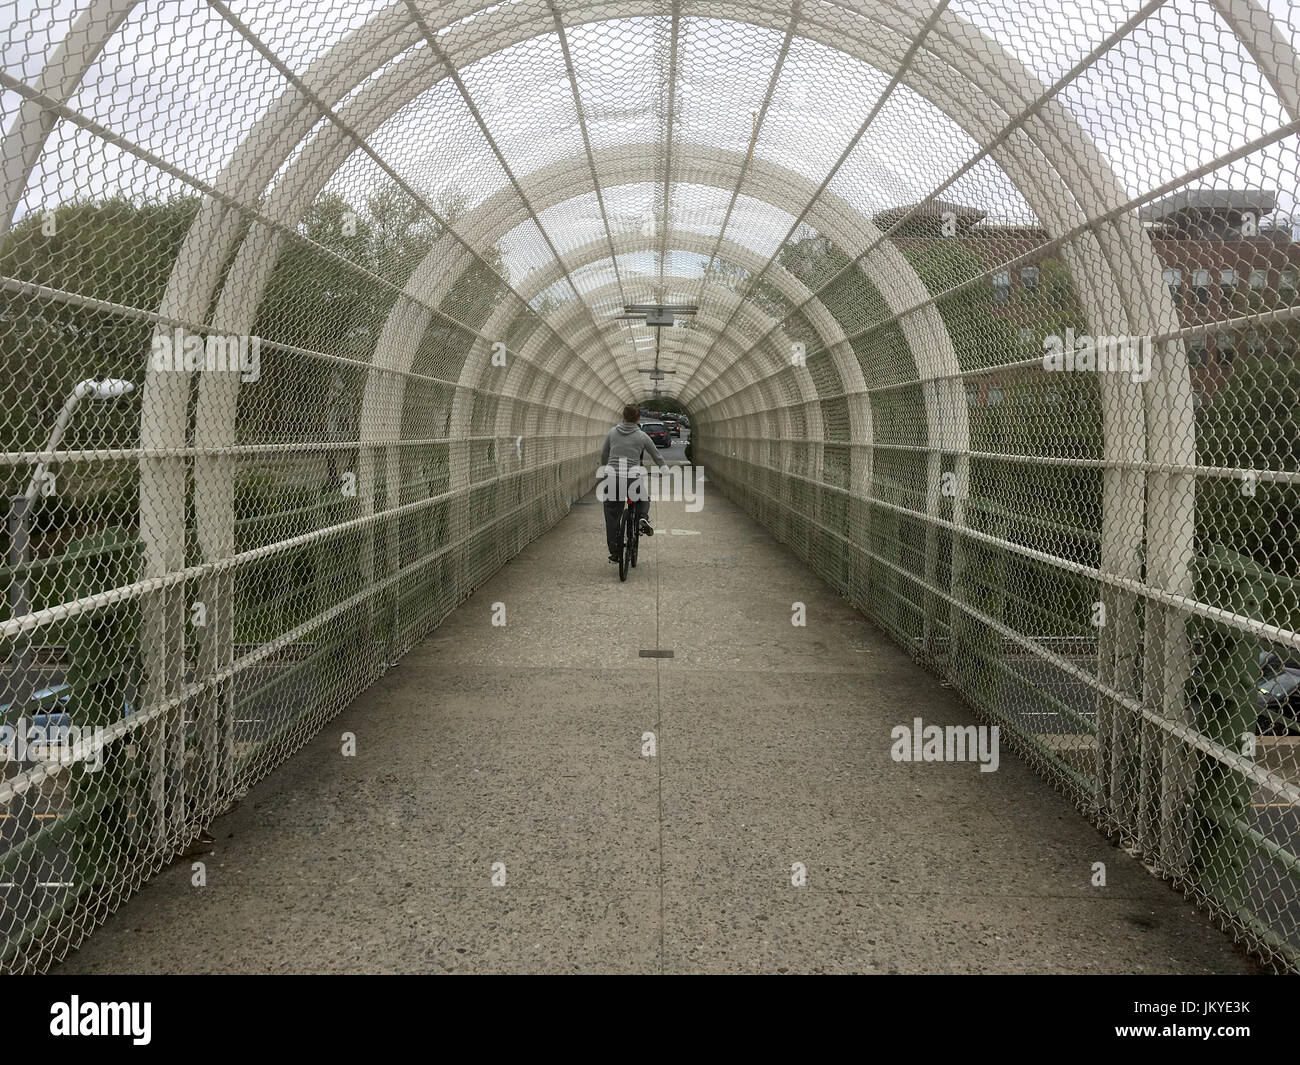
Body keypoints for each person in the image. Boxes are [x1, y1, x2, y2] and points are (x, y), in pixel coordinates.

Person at [599, 404, 665, 563]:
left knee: (612, 515)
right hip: (632, 478)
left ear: (623, 416)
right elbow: (656, 455)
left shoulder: (612, 432)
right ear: (638, 418)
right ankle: (642, 517)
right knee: (643, 498)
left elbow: (604, 453)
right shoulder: (642, 436)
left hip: (613, 477)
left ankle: (615, 553)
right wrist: (664, 469)